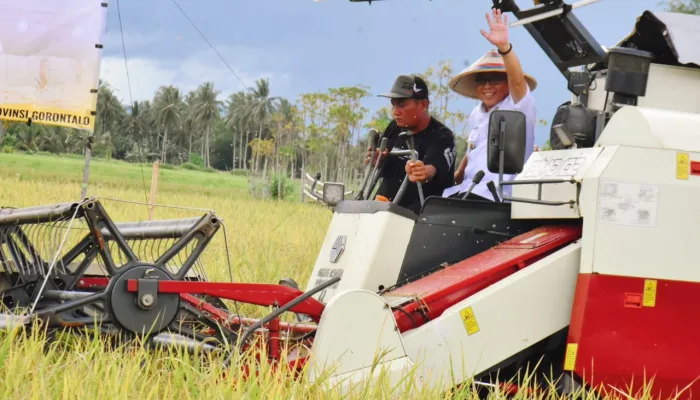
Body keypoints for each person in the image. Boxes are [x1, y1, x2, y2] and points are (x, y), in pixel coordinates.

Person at [442, 8, 538, 201]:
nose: (487, 86)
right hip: (466, 191)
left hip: (496, 197)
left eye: (495, 79)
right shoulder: (476, 114)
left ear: (507, 82)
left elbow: (518, 81)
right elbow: (472, 153)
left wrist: (504, 47)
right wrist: (455, 179)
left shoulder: (518, 106)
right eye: (481, 80)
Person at [366, 74, 457, 214]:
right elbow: (383, 165)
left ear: (423, 105)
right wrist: (379, 159)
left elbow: (431, 170)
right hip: (382, 210)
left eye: (402, 105)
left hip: (420, 217)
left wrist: (421, 171)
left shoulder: (442, 136)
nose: (396, 112)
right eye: (393, 105)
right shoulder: (394, 128)